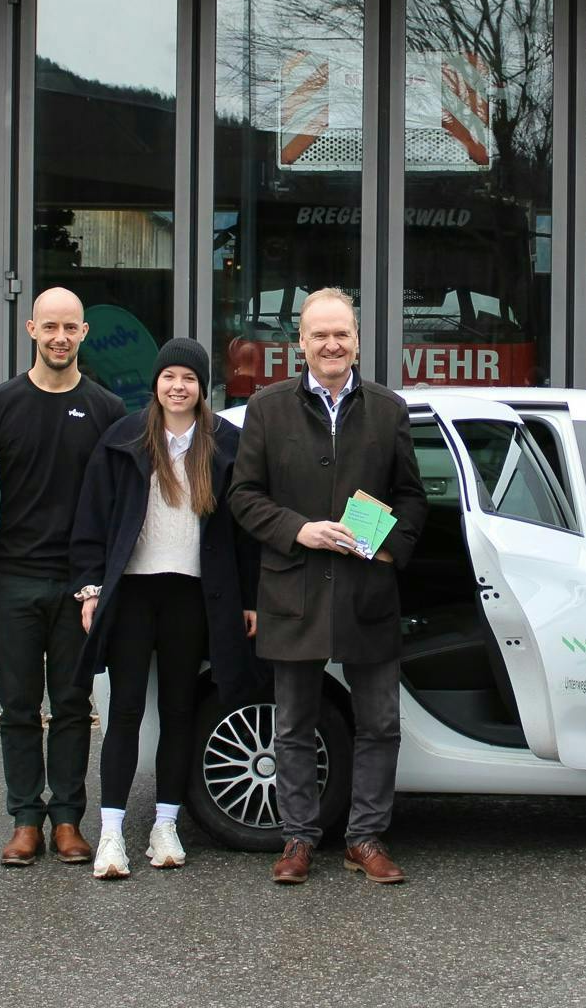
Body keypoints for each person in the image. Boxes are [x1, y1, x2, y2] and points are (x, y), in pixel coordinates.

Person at [228, 287, 427, 886]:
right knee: (291, 725)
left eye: (341, 334)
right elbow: (242, 496)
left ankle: (365, 837)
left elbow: (413, 497)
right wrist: (300, 530)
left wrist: (389, 547)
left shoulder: (389, 410)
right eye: (319, 335)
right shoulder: (266, 409)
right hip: (295, 586)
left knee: (380, 724)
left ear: (358, 340)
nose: (331, 344)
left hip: (367, 588)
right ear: (302, 343)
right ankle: (297, 838)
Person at [70, 339, 261, 880]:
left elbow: (245, 532)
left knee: (180, 711)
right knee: (125, 711)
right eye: (169, 376)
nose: (178, 386)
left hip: (193, 596)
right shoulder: (125, 438)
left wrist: (249, 600)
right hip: (131, 593)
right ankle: (110, 834)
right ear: (156, 382)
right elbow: (92, 521)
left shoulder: (227, 443)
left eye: (190, 378)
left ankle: (166, 825)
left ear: (203, 388)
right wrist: (89, 590)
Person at [0, 288, 125, 868]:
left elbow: (118, 502)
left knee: (70, 703)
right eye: (50, 327)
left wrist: (103, 581)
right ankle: (24, 820)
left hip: (78, 585)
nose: (60, 337)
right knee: (16, 705)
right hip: (10, 578)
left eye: (71, 328)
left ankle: (67, 819)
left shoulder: (107, 408)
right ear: (32, 329)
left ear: (84, 333)